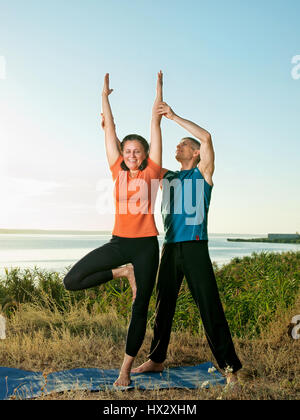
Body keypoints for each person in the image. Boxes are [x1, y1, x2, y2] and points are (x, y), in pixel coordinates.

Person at [63, 71, 163, 386]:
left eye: (137, 151)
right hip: (119, 244)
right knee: (72, 280)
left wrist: (158, 91)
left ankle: (125, 371)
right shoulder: (116, 170)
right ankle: (122, 272)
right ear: (123, 154)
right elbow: (111, 132)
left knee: (140, 307)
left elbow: (155, 125)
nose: (131, 155)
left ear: (145, 155)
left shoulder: (154, 173)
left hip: (146, 246)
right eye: (127, 150)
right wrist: (104, 98)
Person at [132, 101, 242, 385]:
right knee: (163, 305)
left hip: (195, 247)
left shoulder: (202, 174)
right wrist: (155, 113)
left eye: (182, 145)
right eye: (176, 145)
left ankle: (230, 369)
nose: (176, 148)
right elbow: (148, 150)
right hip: (169, 247)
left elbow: (206, 137)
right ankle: (156, 359)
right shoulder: (166, 175)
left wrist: (172, 116)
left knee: (209, 306)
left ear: (195, 153)